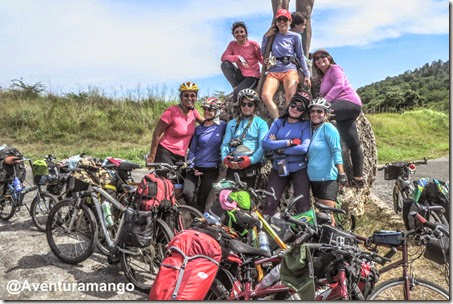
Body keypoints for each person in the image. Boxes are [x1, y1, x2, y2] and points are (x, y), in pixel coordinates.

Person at [312, 49, 364, 187]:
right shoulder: (323, 77)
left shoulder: (335, 69)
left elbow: (340, 85)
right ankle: (358, 178)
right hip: (344, 111)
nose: (320, 59)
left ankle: (330, 171)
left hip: (348, 102)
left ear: (329, 58)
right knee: (353, 143)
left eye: (323, 56)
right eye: (316, 58)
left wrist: (325, 103)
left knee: (319, 118)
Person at [262, 92, 312, 216]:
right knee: (270, 202)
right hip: (279, 166)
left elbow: (303, 148)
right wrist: (289, 142)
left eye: (300, 107)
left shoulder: (305, 124)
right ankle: (264, 233)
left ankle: (306, 234)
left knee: (303, 204)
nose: (295, 109)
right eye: (293, 105)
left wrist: (279, 148)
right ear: (288, 105)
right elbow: (265, 143)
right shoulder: (279, 122)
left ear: (304, 111)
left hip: (299, 168)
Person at [261, 9, 311, 120]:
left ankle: (291, 120)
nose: (282, 22)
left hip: (289, 69)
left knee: (291, 97)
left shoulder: (295, 36)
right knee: (265, 96)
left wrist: (307, 74)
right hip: (274, 71)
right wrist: (265, 37)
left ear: (289, 21)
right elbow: (263, 53)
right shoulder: (272, 36)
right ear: (276, 22)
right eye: (279, 20)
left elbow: (300, 55)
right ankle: (278, 121)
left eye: (285, 19)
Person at [306, 98, 348, 225]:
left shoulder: (328, 128)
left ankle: (334, 242)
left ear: (326, 114)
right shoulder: (312, 131)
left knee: (328, 217)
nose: (315, 114)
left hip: (328, 178)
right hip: (314, 179)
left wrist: (341, 173)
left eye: (319, 111)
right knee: (321, 216)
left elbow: (336, 150)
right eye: (313, 111)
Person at [183, 98, 227, 213]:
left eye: (210, 109)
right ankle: (195, 216)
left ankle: (198, 222)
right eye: (205, 109)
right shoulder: (198, 129)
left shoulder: (223, 126)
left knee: (203, 198)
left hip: (211, 169)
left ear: (217, 111)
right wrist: (191, 167)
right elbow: (192, 149)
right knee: (188, 194)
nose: (207, 112)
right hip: (195, 167)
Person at [146, 82, 204, 166]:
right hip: (165, 152)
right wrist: (152, 156)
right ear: (181, 97)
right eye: (186, 95)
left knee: (179, 179)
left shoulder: (194, 112)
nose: (189, 98)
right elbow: (156, 134)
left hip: (181, 155)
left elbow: (206, 123)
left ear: (196, 97)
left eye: (192, 95)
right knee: (166, 179)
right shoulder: (171, 111)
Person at [221, 89, 269, 188]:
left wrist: (250, 160)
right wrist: (225, 159)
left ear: (255, 106)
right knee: (226, 197)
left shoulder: (261, 124)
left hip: (251, 165)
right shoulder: (232, 123)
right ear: (240, 106)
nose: (246, 107)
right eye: (243, 104)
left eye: (250, 104)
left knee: (246, 199)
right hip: (233, 163)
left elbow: (263, 147)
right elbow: (225, 144)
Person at [221, 21, 264, 100]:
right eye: (236, 32)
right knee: (225, 64)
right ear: (233, 34)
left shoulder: (253, 45)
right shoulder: (232, 44)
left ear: (246, 33)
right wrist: (238, 58)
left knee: (238, 94)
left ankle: (236, 91)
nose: (239, 34)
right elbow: (223, 57)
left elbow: (261, 59)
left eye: (241, 32)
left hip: (252, 76)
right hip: (241, 75)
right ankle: (235, 87)